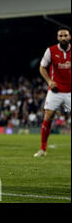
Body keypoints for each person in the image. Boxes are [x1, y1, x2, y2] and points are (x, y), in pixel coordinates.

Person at [34, 27, 71, 157]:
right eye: (60, 36)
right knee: (48, 117)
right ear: (57, 38)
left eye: (65, 35)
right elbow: (42, 67)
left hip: (70, 91)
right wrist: (49, 81)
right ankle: (43, 149)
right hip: (55, 91)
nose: (63, 38)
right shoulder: (51, 51)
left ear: (69, 37)